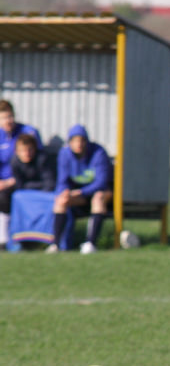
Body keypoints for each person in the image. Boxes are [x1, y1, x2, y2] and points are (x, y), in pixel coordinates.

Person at [46, 124, 113, 254]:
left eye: (82, 140)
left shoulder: (98, 152)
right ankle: (55, 244)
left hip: (100, 193)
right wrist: (65, 192)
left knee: (98, 198)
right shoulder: (64, 154)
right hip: (79, 196)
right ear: (70, 142)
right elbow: (62, 180)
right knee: (61, 200)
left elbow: (101, 181)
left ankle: (90, 243)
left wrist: (81, 192)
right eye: (75, 140)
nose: (79, 144)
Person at [0, 99, 43, 248]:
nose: (8, 121)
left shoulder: (28, 132)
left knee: (4, 196)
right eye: (4, 118)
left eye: (10, 116)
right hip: (4, 182)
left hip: (23, 180)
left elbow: (39, 161)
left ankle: (5, 240)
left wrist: (10, 181)